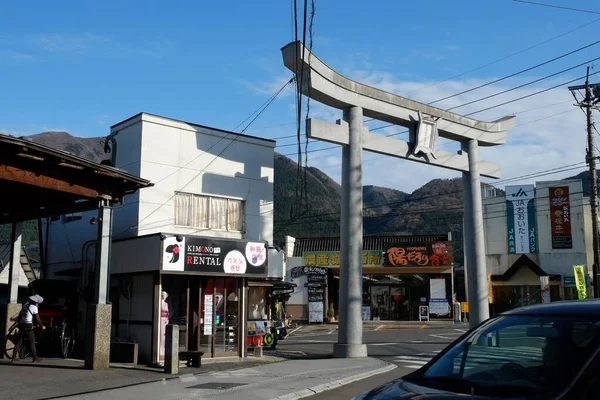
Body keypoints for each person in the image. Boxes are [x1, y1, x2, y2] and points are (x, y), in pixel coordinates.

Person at [12, 294, 46, 363]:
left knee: (19, 342)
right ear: (36, 302)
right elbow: (37, 318)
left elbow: (19, 316)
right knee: (32, 342)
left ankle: (13, 358)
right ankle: (35, 358)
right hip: (28, 325)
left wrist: (19, 324)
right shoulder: (34, 307)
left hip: (22, 324)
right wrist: (42, 325)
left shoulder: (25, 305)